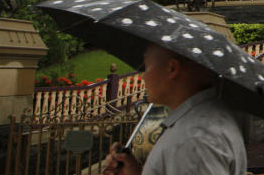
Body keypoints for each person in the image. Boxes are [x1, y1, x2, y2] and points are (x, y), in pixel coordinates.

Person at [103, 43, 247, 175]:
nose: (144, 77)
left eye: (146, 67)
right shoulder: (200, 123)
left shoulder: (193, 139)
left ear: (172, 68)